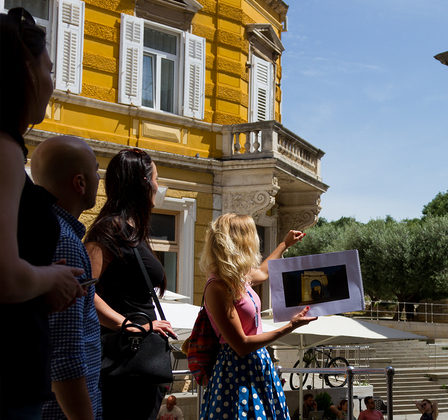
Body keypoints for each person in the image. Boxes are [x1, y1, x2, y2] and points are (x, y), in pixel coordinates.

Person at [0, 8, 86, 418]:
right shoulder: (4, 148)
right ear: (26, 73)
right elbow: (5, 276)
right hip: (9, 383)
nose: (54, 83)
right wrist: (51, 277)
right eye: (49, 69)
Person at [85, 148, 176, 420]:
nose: (159, 187)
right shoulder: (109, 229)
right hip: (124, 364)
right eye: (157, 179)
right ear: (144, 182)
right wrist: (132, 325)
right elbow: (84, 290)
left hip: (139, 364)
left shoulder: (132, 230)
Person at [199, 213, 315, 420]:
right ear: (240, 241)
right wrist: (290, 326)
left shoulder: (237, 277)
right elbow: (241, 345)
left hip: (255, 364)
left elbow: (263, 271)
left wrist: (284, 244)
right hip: (235, 369)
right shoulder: (217, 286)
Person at [33, 136, 102, 420]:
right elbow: (65, 357)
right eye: (97, 170)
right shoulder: (66, 244)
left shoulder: (45, 232)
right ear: (80, 183)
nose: (100, 178)